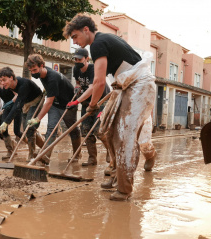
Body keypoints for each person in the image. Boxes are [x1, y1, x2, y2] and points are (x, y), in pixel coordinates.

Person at [63, 14, 157, 201]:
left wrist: (92, 106)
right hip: (126, 84)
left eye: (75, 36)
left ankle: (124, 188)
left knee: (125, 135)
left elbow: (98, 82)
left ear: (86, 30)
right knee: (106, 130)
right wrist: (93, 104)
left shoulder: (98, 43)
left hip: (140, 84)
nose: (74, 41)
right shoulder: (101, 41)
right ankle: (116, 174)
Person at [24, 54, 82, 164]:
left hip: (68, 104)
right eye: (31, 70)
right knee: (51, 129)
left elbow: (48, 102)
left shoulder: (52, 77)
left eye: (35, 69)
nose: (33, 73)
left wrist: (38, 119)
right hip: (56, 104)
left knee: (73, 130)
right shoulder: (42, 74)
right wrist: (48, 89)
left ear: (42, 66)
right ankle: (46, 156)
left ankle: (77, 155)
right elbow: (51, 98)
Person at [66, 48, 110, 166]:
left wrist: (76, 101)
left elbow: (92, 88)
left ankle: (110, 151)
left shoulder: (93, 69)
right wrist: (77, 88)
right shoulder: (76, 68)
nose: (77, 61)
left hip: (101, 101)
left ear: (87, 59)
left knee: (98, 130)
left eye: (79, 59)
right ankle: (92, 158)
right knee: (85, 131)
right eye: (75, 59)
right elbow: (78, 83)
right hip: (86, 103)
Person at [0, 67, 45, 162]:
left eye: (4, 80)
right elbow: (17, 100)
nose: (2, 83)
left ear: (11, 77)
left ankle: (32, 154)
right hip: (26, 103)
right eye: (1, 81)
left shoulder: (23, 84)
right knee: (28, 130)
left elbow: (18, 105)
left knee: (29, 127)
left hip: (36, 101)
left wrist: (6, 122)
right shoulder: (9, 87)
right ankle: (44, 147)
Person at [0, 66, 22, 160]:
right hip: (7, 108)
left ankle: (31, 144)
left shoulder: (7, 83)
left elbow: (18, 95)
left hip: (16, 106)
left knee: (17, 131)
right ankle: (10, 150)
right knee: (3, 129)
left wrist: (11, 102)